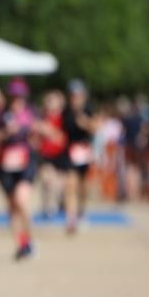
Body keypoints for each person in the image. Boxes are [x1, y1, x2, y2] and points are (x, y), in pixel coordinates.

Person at [0, 77, 39, 260]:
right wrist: (5, 133)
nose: (16, 100)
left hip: (25, 163)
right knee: (12, 208)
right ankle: (21, 244)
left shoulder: (31, 113)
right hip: (5, 166)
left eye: (20, 96)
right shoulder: (1, 115)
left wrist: (34, 131)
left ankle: (29, 239)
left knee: (21, 201)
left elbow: (41, 133)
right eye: (13, 96)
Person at [62, 79, 96, 234]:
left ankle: (81, 211)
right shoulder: (66, 111)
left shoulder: (89, 110)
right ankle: (71, 217)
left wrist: (85, 123)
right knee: (70, 184)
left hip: (85, 151)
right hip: (70, 151)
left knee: (83, 186)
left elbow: (95, 128)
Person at [36, 90, 68, 218]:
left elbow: (62, 138)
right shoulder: (41, 117)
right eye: (48, 100)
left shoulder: (63, 119)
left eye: (53, 100)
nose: (50, 103)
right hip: (46, 155)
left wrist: (49, 131)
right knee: (46, 180)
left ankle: (59, 204)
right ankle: (47, 206)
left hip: (60, 155)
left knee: (60, 184)